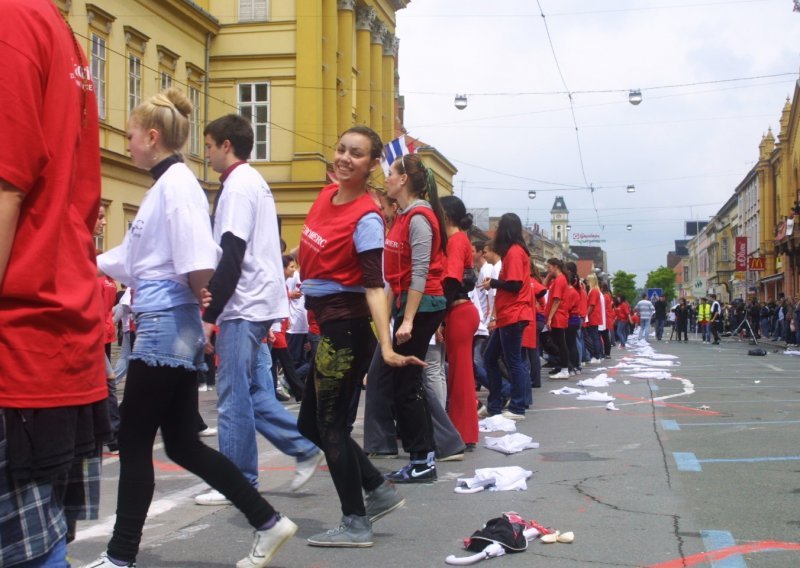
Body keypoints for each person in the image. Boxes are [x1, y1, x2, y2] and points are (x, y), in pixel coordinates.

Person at [90, 89, 296, 568]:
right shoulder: (168, 185)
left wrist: (202, 294)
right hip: (168, 322)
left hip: (165, 324)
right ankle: (268, 521)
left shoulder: (176, 184)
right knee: (180, 440)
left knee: (137, 441)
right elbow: (134, 258)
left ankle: (120, 556)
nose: (127, 143)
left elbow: (198, 257)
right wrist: (89, 262)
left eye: (131, 134)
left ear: (153, 137)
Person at [1, 3, 111, 564]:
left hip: (19, 340)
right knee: (40, 550)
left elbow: (6, 189)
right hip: (55, 336)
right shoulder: (56, 27)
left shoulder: (12, 20)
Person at [296, 126, 419, 547]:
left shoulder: (366, 217)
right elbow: (312, 252)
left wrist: (385, 344)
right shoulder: (324, 196)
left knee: (329, 427)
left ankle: (356, 523)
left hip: (346, 331)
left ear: (370, 166)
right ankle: (379, 490)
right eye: (342, 149)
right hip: (326, 326)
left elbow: (374, 285)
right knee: (310, 424)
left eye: (357, 154)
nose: (345, 157)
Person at [194, 114, 322, 508]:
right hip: (260, 300)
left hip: (244, 303)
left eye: (210, 145)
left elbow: (231, 253)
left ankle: (239, 480)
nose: (207, 153)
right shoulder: (256, 183)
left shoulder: (236, 188)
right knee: (250, 390)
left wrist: (209, 314)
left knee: (233, 395)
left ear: (226, 146)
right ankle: (302, 446)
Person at [381, 152, 448, 482]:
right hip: (408, 306)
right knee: (404, 383)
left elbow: (419, 272)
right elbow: (396, 273)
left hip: (422, 307)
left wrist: (407, 321)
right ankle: (424, 455)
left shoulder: (419, 217)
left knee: (406, 384)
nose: (387, 178)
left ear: (404, 179)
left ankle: (424, 459)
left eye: (391, 173)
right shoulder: (404, 215)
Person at [481, 213, 534, 417]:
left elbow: (514, 284)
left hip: (513, 312)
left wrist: (493, 283)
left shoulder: (513, 252)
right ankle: (497, 402)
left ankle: (517, 406)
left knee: (512, 361)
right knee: (490, 358)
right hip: (509, 314)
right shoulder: (517, 251)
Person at [440, 195, 481, 449]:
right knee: (459, 375)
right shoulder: (460, 240)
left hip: (458, 312)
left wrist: (435, 315)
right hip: (462, 311)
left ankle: (463, 433)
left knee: (460, 377)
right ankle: (463, 431)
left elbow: (452, 279)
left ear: (445, 215)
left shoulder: (456, 241)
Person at [543, 258, 570, 379]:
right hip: (557, 315)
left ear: (556, 267)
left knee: (560, 343)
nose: (547, 270)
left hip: (558, 315)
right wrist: (549, 275)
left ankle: (564, 368)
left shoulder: (560, 280)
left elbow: (557, 300)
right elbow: (543, 287)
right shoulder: (558, 279)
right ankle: (562, 367)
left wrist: (550, 317)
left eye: (549, 267)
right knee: (557, 342)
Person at [584, 273, 605, 363]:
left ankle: (596, 356)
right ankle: (598, 355)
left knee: (594, 337)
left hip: (593, 316)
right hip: (595, 316)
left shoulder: (593, 291)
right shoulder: (596, 290)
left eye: (588, 280)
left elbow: (591, 305)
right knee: (595, 337)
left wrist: (586, 315)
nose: (586, 282)